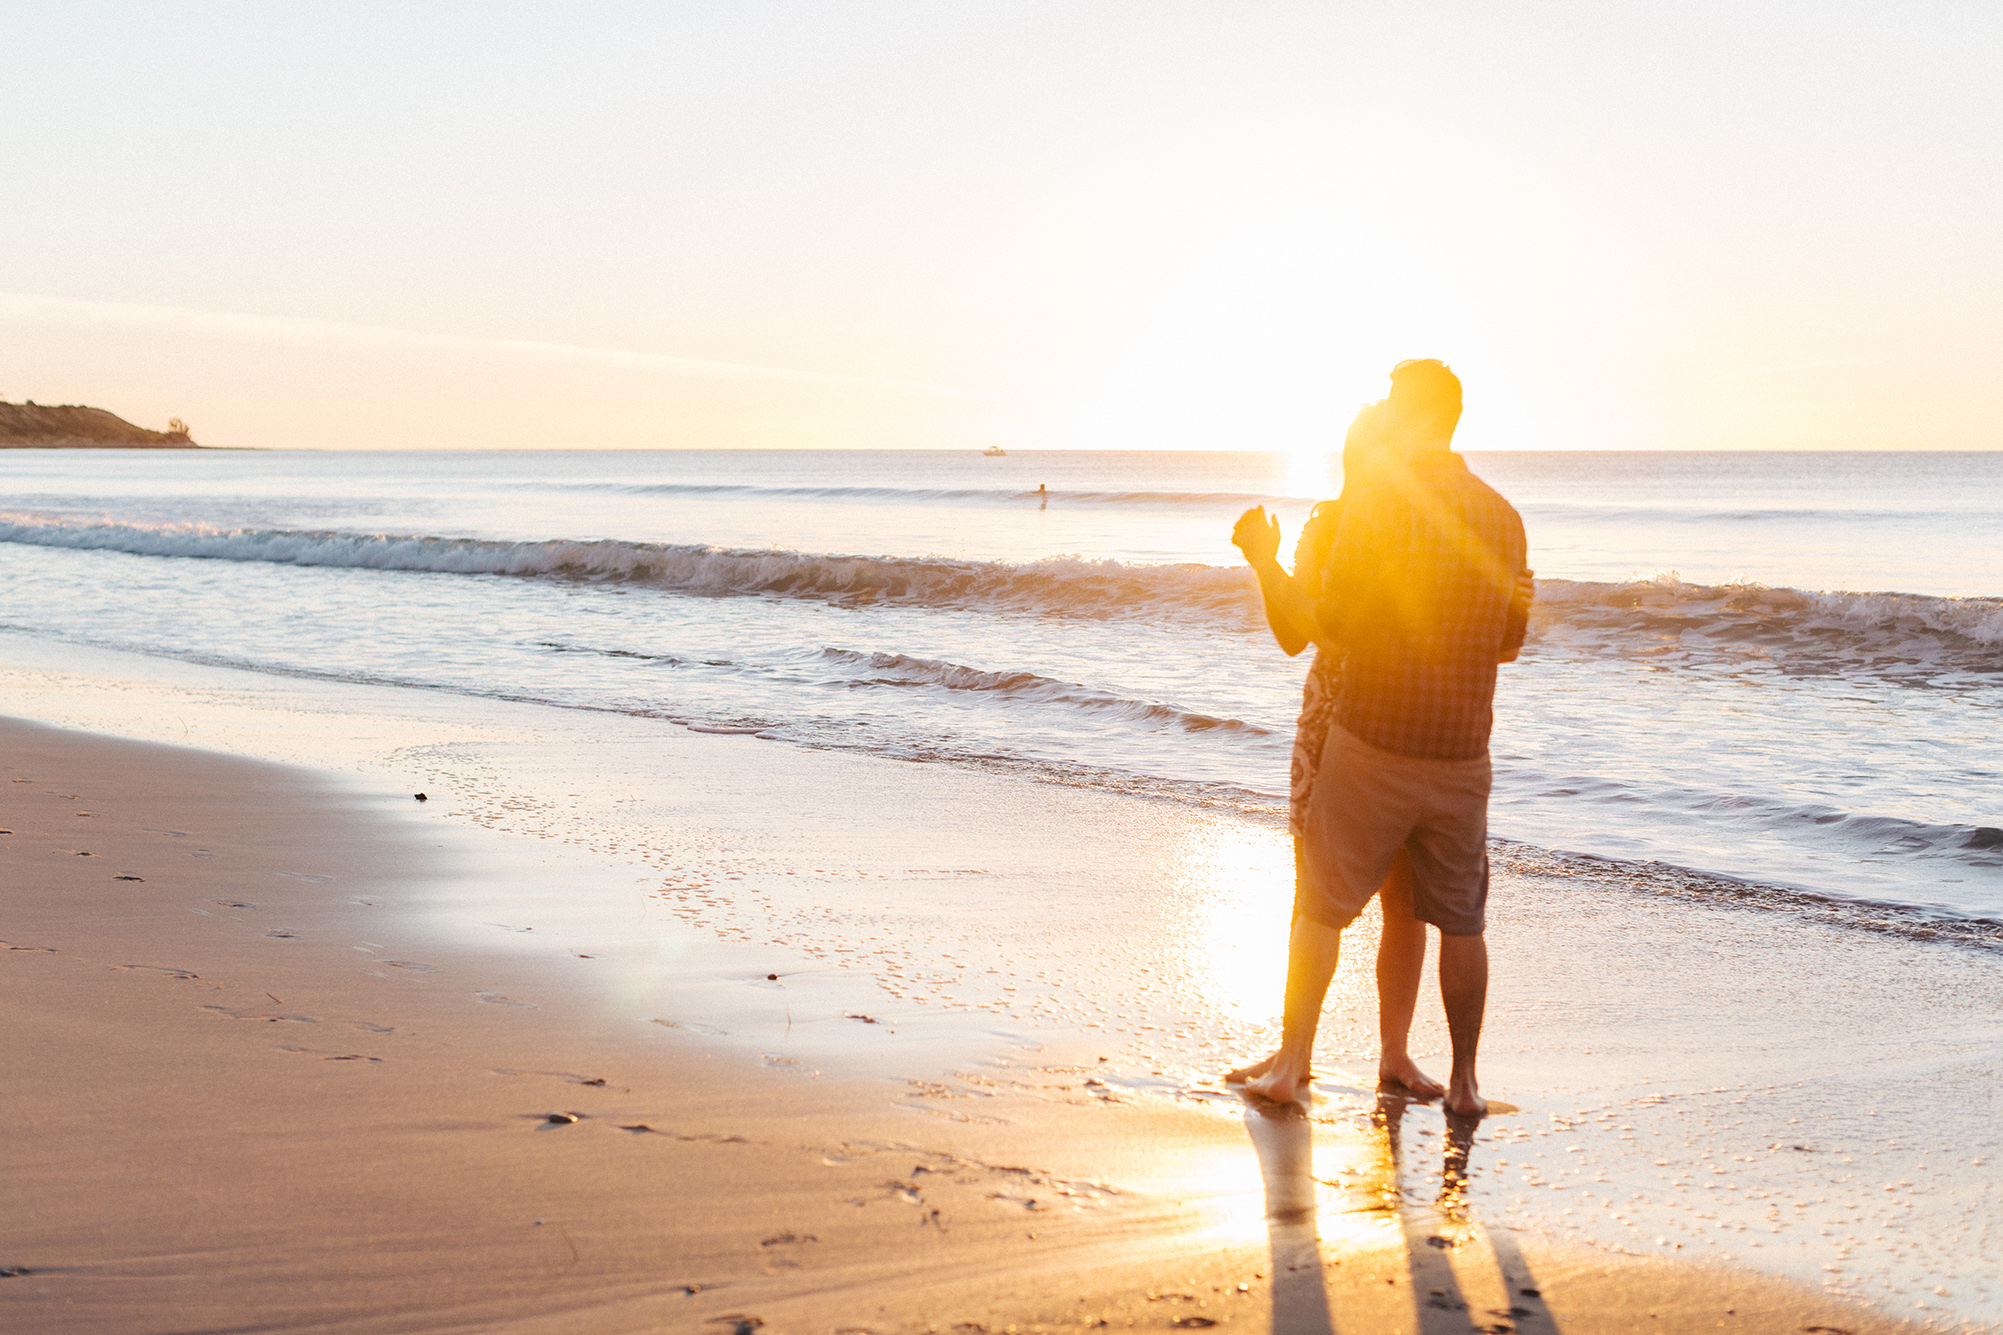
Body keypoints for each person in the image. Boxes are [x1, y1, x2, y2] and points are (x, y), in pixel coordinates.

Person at [1230, 360, 1531, 1117]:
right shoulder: (1502, 515)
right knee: (1458, 916)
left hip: (1370, 732)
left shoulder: (1374, 511)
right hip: (1460, 746)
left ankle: (1297, 1063)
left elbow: (1326, 627)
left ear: (1409, 418)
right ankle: (1461, 1084)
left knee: (1325, 903)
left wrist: (1268, 565)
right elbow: (1508, 641)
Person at [1226, 403, 1444, 1100]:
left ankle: (1376, 1054)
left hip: (1392, 716)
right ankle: (1306, 1052)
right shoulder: (1339, 524)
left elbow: (1307, 630)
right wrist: (1265, 563)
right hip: (1356, 718)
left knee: (1390, 896)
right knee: (1351, 892)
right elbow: (1300, 633)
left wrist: (1263, 559)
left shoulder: (1408, 527)